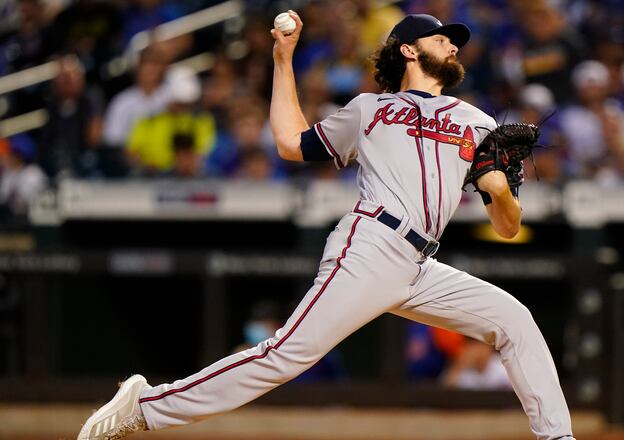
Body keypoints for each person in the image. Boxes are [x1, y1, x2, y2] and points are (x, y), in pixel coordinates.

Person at [77, 12, 576, 440]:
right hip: (372, 245)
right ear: (408, 49)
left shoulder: (478, 122)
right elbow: (291, 143)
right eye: (441, 36)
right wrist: (282, 60)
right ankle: (145, 406)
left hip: (420, 265)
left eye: (454, 40)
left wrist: (500, 190)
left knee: (514, 321)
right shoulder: (370, 110)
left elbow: (508, 227)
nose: (452, 43)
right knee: (285, 355)